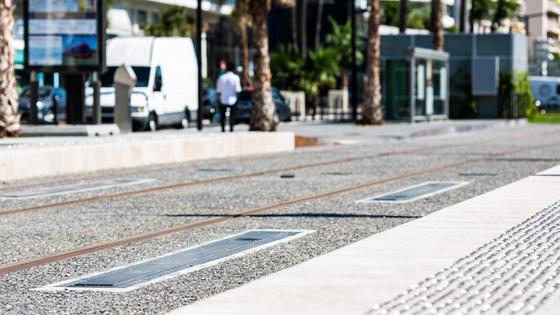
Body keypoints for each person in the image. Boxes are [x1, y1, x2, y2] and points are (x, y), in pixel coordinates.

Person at [216, 62, 242, 132]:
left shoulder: (221, 78)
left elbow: (218, 91)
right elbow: (238, 90)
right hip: (233, 99)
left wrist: (218, 99)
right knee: (232, 115)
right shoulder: (236, 78)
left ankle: (223, 129)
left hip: (223, 99)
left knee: (222, 116)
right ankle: (231, 128)